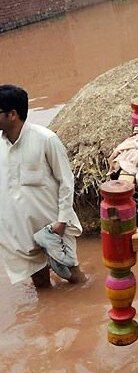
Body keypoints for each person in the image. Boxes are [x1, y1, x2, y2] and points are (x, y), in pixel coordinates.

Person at [0, 84, 85, 288]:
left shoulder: (46, 139)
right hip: (20, 227)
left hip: (52, 225)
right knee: (39, 282)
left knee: (74, 277)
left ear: (12, 114)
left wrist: (62, 221)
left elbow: (66, 181)